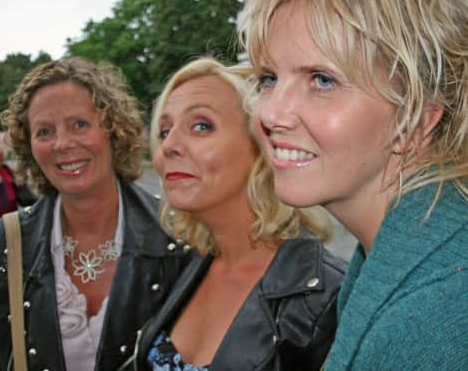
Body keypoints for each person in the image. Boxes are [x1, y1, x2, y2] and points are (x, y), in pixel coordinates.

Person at [238, 0, 468, 369]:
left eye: (322, 80)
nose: (270, 113)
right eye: (269, 78)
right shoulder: (407, 257)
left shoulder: (434, 315)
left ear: (416, 118)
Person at [0, 57, 191, 371]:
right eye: (44, 131)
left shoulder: (181, 237)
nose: (62, 143)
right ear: (29, 146)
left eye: (79, 125)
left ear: (113, 129)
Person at [131, 57, 346, 371]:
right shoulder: (184, 264)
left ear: (261, 146)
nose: (169, 146)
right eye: (164, 131)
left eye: (201, 126)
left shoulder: (327, 298)